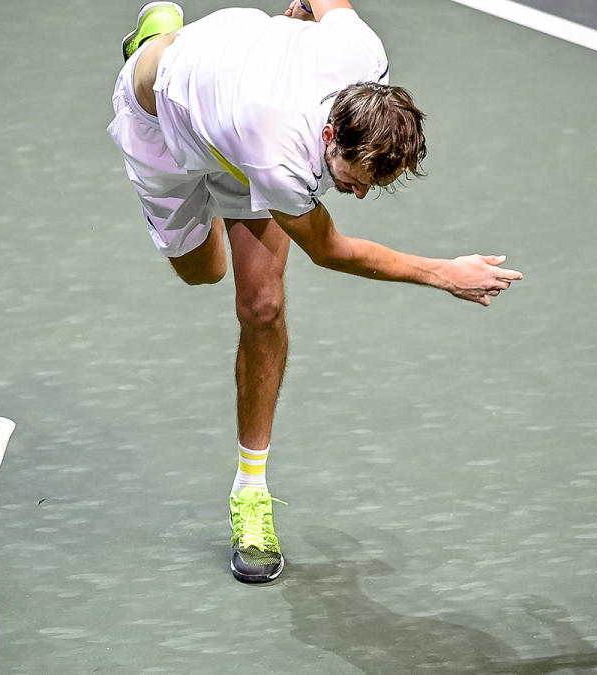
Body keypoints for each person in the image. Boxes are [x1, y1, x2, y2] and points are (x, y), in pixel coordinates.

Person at [108, 0, 523, 584]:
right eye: (350, 180)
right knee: (204, 271)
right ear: (329, 134)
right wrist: (443, 273)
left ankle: (250, 493)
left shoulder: (362, 52)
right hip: (163, 121)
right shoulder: (281, 158)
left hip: (239, 107)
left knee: (262, 306)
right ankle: (157, 37)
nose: (353, 195)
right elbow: (331, 250)